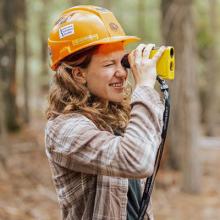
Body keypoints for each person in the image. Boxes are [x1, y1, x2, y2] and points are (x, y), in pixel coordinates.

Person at [45, 5, 165, 220]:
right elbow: (137, 160)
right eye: (109, 64)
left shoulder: (117, 116)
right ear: (79, 74)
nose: (121, 72)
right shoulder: (65, 130)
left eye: (123, 61)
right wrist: (145, 87)